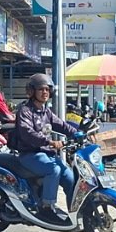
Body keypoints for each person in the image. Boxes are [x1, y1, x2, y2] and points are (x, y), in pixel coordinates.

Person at [14, 74, 79, 223]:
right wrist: (49, 142)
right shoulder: (25, 111)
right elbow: (27, 133)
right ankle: (46, 208)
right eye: (41, 89)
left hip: (47, 154)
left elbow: (61, 125)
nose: (45, 92)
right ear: (32, 91)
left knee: (70, 177)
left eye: (47, 89)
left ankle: (75, 212)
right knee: (53, 170)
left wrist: (77, 133)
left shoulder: (45, 111)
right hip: (30, 154)